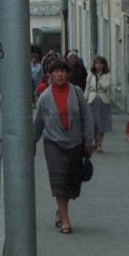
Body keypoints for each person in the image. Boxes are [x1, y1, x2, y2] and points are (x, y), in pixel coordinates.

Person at [33, 59, 94, 234]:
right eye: (56, 71)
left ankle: (61, 211)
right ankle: (66, 220)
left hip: (75, 143)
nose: (59, 74)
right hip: (53, 144)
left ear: (67, 73)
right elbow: (38, 123)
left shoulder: (77, 93)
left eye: (62, 71)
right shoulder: (45, 97)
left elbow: (86, 118)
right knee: (59, 180)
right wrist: (31, 144)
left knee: (70, 181)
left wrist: (88, 142)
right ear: (50, 75)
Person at [84, 55, 113, 151]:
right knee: (92, 123)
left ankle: (99, 144)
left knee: (102, 123)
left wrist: (99, 78)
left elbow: (106, 87)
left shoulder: (107, 75)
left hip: (102, 100)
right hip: (92, 99)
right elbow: (87, 88)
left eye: (101, 63)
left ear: (104, 65)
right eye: (96, 63)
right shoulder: (90, 74)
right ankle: (94, 141)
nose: (98, 65)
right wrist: (84, 99)